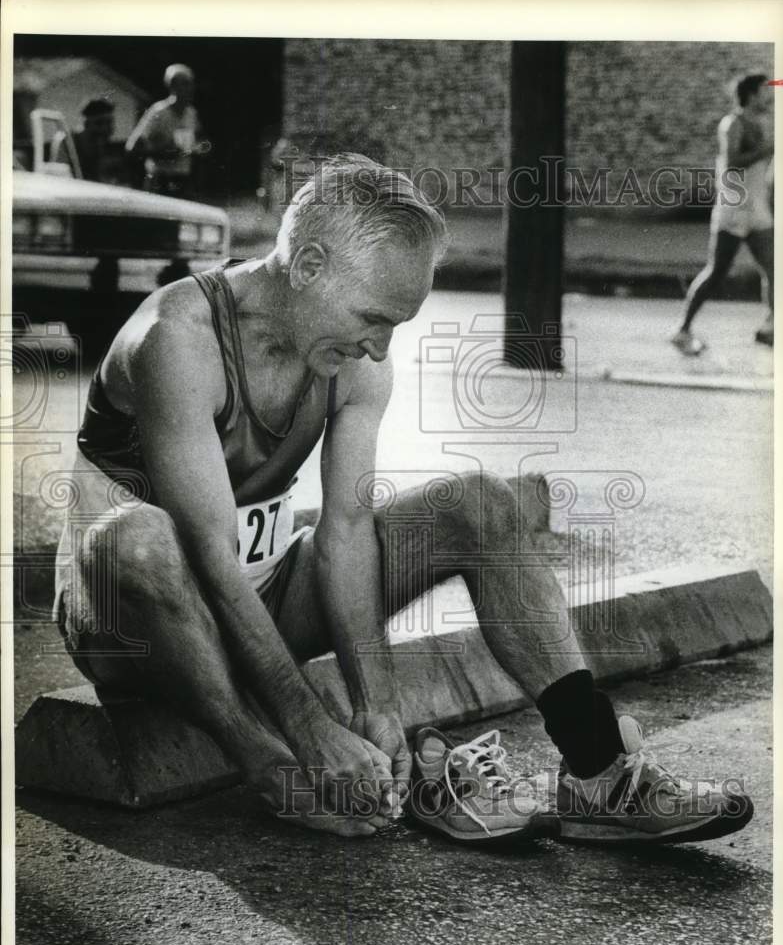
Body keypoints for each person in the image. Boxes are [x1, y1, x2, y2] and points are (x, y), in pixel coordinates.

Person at [54, 155, 753, 844]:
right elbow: (207, 555)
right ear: (307, 267)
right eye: (372, 317)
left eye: (398, 323)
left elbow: (347, 531)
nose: (381, 344)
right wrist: (307, 726)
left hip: (253, 596)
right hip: (130, 624)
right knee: (140, 538)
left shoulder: (352, 356)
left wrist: (375, 706)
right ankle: (267, 765)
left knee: (478, 504)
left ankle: (599, 772)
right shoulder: (178, 339)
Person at [672, 73, 774, 355]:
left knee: (774, 267)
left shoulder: (762, 124)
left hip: (757, 208)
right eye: (766, 91)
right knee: (717, 272)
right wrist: (767, 150)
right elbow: (731, 163)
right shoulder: (732, 124)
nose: (771, 96)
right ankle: (683, 329)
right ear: (752, 95)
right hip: (733, 209)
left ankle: (770, 327)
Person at [125, 63, 209, 197]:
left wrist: (201, 148)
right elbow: (132, 147)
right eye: (184, 84)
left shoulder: (191, 113)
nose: (190, 89)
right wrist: (163, 152)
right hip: (160, 180)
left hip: (184, 181)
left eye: (191, 84)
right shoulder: (158, 112)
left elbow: (202, 141)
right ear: (172, 86)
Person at [53, 97, 128, 185]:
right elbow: (59, 173)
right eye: (99, 123)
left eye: (109, 122)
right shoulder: (67, 141)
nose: (105, 128)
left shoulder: (107, 146)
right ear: (86, 123)